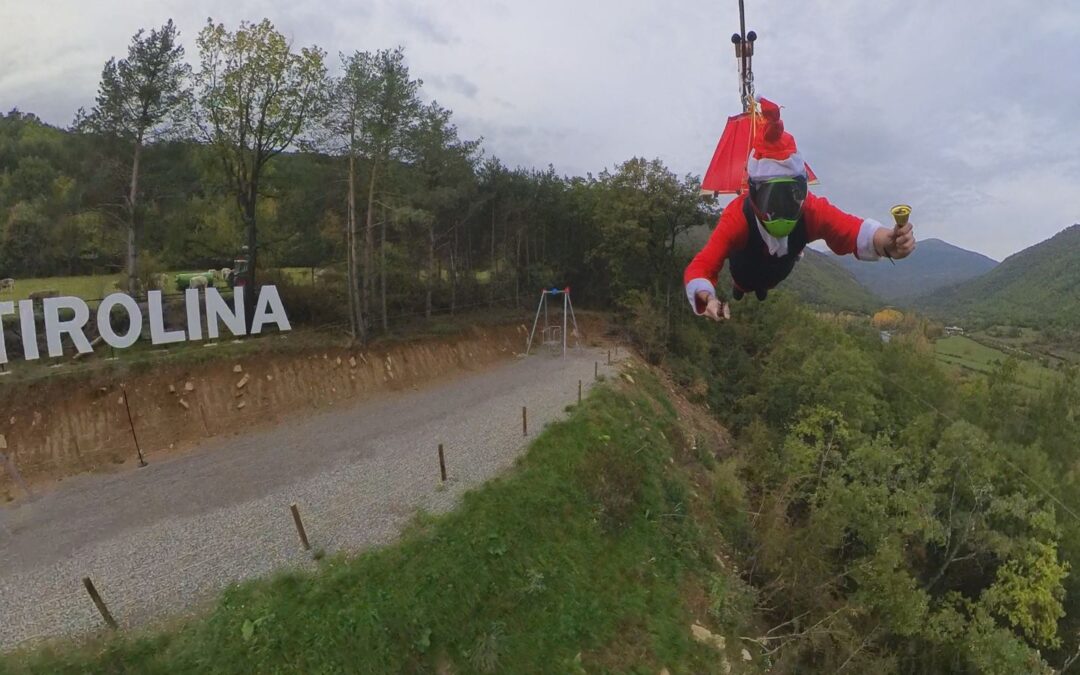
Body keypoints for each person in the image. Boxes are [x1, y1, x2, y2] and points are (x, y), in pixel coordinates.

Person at [684, 97, 916, 320]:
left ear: (802, 190)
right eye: (771, 198)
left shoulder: (811, 210)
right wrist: (707, 297)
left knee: (764, 282)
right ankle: (740, 287)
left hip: (775, 272)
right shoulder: (738, 217)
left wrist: (888, 242)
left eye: (791, 196)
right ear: (753, 192)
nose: (781, 208)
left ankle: (755, 288)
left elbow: (852, 230)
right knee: (743, 281)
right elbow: (703, 264)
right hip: (745, 269)